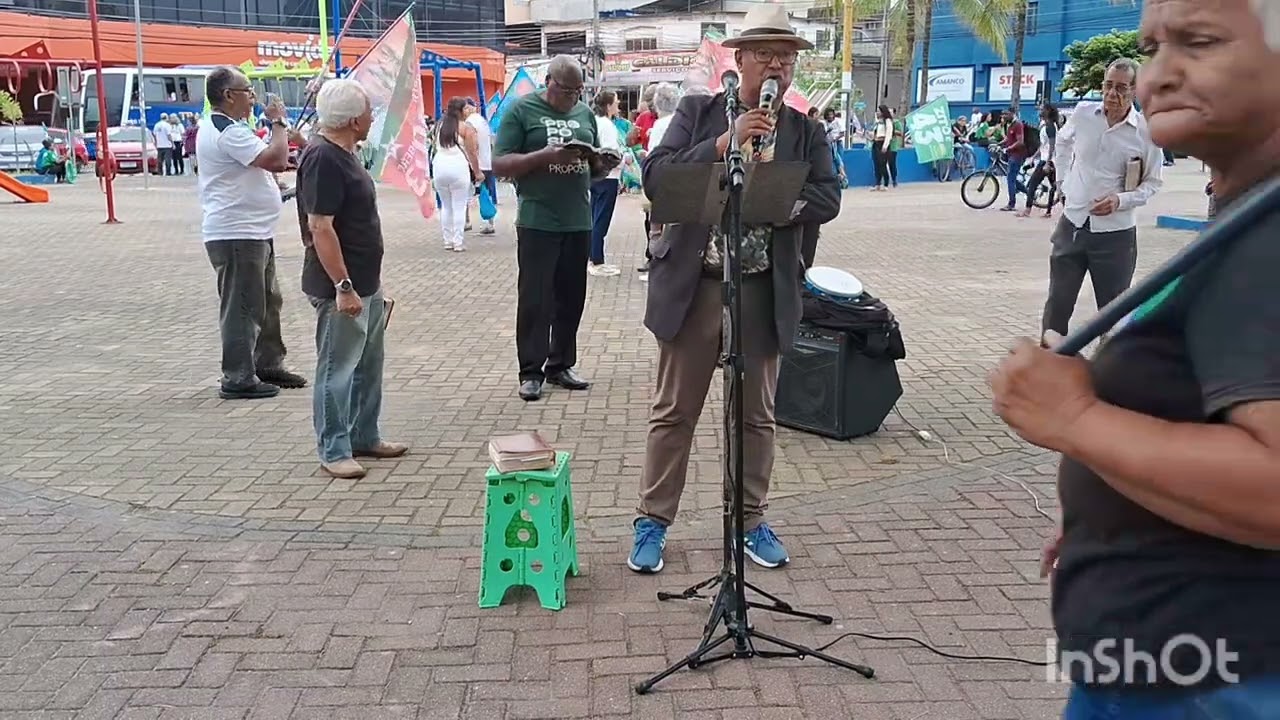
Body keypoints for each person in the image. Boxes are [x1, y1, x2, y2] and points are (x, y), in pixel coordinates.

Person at [992, 0, 1280, 716]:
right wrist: (1119, 501)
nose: (1157, 77)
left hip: (1211, 682)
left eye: (1199, 41)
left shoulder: (1269, 240)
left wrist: (1075, 419)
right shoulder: (1248, 213)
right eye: (1152, 49)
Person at [630, 4, 842, 574]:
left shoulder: (805, 130)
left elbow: (828, 196)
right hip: (696, 286)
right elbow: (657, 176)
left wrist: (777, 201)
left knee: (755, 417)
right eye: (766, 54)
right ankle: (652, 522)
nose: (777, 65)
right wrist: (725, 142)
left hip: (761, 290)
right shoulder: (698, 112)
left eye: (787, 57)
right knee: (674, 412)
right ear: (740, 58)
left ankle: (749, 520)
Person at [296, 79, 408, 480]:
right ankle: (334, 448)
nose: (372, 117)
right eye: (367, 111)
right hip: (341, 287)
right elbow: (320, 227)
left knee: (368, 365)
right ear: (352, 120)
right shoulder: (323, 158)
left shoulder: (345, 152)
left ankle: (364, 434)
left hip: (365, 282)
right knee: (337, 369)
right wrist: (343, 286)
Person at [493, 56, 621, 402]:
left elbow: (591, 170)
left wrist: (601, 164)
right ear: (549, 81)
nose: (573, 98)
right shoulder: (522, 111)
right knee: (536, 299)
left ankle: (561, 364)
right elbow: (499, 164)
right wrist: (544, 157)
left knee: (571, 297)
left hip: (578, 219)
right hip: (538, 220)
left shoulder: (584, 114)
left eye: (578, 91)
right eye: (567, 91)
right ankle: (530, 372)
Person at [196, 66, 307, 400]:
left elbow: (262, 163)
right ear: (228, 95)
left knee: (268, 301)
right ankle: (238, 376)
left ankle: (267, 363)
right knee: (243, 307)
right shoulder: (225, 130)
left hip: (253, 231)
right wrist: (278, 122)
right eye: (247, 90)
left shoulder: (232, 128)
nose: (253, 97)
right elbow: (275, 159)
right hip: (237, 233)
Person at [1041, 58, 1163, 337]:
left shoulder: (1145, 132)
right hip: (1072, 225)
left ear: (1135, 91)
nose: (1111, 94)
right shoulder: (1084, 114)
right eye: (1108, 86)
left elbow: (1153, 183)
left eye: (1121, 88)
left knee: (1113, 315)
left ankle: (1108, 364)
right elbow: (1062, 141)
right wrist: (1062, 182)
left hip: (1115, 236)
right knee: (1057, 306)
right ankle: (1050, 358)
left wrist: (1120, 200)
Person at [433, 97, 483, 252]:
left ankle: (447, 241)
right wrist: (477, 172)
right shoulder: (466, 128)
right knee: (459, 206)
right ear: (461, 110)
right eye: (466, 108)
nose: (468, 111)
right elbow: (472, 152)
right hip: (458, 167)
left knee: (446, 206)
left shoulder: (439, 125)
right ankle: (458, 242)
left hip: (439, 166)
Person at [588, 90, 624, 277]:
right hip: (608, 177)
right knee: (601, 219)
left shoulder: (594, 122)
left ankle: (592, 256)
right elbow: (611, 153)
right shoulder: (607, 125)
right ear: (609, 106)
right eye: (616, 103)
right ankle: (597, 259)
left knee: (594, 217)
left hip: (596, 177)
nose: (618, 106)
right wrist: (624, 160)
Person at [1018, 104, 1060, 218]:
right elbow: (1043, 145)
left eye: (1042, 109)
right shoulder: (1046, 125)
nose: (1039, 111)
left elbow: (1052, 146)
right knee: (1055, 186)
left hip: (1047, 161)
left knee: (1032, 184)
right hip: (1047, 160)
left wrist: (1047, 162)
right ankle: (1049, 211)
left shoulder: (1050, 126)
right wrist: (1033, 156)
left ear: (1048, 111)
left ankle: (1027, 210)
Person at [464, 98, 496, 235]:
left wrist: (473, 161)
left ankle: (466, 221)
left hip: (476, 163)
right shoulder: (483, 121)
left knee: (466, 192)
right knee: (486, 192)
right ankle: (490, 222)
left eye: (465, 108)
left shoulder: (469, 122)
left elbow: (473, 143)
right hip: (487, 162)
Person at [999, 108, 1028, 211]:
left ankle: (1011, 204)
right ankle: (1029, 192)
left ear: (1013, 114)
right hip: (1012, 155)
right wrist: (998, 144)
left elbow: (1020, 141)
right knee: (1012, 178)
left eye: (1006, 114)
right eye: (1003, 115)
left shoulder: (1018, 124)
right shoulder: (1010, 125)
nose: (1004, 116)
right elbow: (1008, 138)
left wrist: (1008, 148)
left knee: (1010, 179)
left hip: (1017, 155)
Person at [871, 105, 893, 191]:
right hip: (876, 143)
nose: (877, 113)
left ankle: (886, 183)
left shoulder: (887, 121)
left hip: (882, 143)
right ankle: (877, 183)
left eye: (879, 111)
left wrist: (885, 145)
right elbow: (875, 132)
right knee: (876, 164)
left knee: (882, 164)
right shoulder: (877, 122)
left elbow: (889, 134)